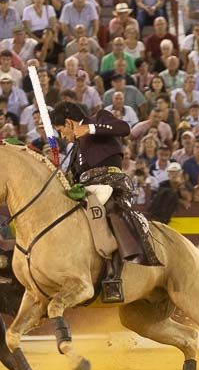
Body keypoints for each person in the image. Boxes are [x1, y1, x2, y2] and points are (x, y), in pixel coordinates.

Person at [52, 100, 160, 303]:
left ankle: (113, 277)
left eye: (61, 130)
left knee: (109, 210)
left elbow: (124, 128)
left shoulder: (98, 118)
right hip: (84, 189)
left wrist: (89, 128)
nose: (62, 136)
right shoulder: (75, 148)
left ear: (68, 123)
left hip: (110, 182)